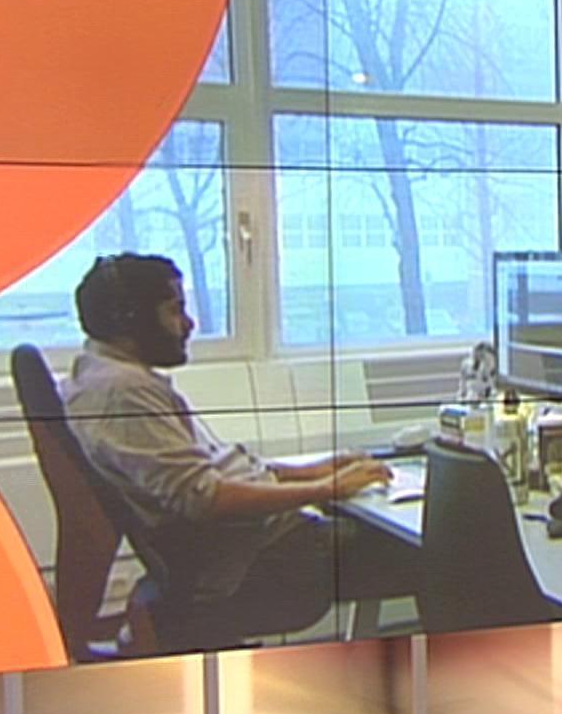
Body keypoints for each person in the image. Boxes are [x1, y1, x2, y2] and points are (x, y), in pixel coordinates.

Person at [62, 253, 418, 652]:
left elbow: (209, 475)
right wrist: (326, 489)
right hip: (264, 558)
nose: (188, 324)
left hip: (254, 545)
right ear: (128, 319)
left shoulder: (99, 374)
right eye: (174, 310)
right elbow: (206, 496)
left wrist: (312, 472)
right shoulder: (124, 393)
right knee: (444, 547)